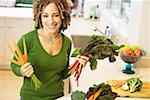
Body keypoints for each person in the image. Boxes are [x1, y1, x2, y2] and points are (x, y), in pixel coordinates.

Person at [11, 0, 89, 100]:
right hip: (30, 97)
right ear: (39, 17)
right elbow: (14, 65)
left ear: (63, 16)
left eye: (55, 15)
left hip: (57, 97)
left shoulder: (67, 42)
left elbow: (63, 74)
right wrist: (21, 71)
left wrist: (77, 65)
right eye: (45, 16)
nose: (51, 21)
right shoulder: (27, 39)